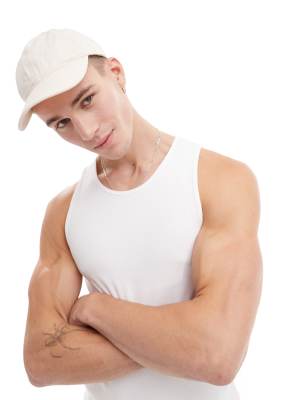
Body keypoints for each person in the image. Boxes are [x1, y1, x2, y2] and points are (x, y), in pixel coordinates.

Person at [16, 28, 263, 400]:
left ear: (116, 73)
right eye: (61, 123)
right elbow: (40, 361)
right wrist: (182, 341)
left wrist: (96, 309)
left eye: (86, 100)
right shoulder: (63, 213)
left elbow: (218, 354)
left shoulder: (219, 180)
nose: (85, 130)